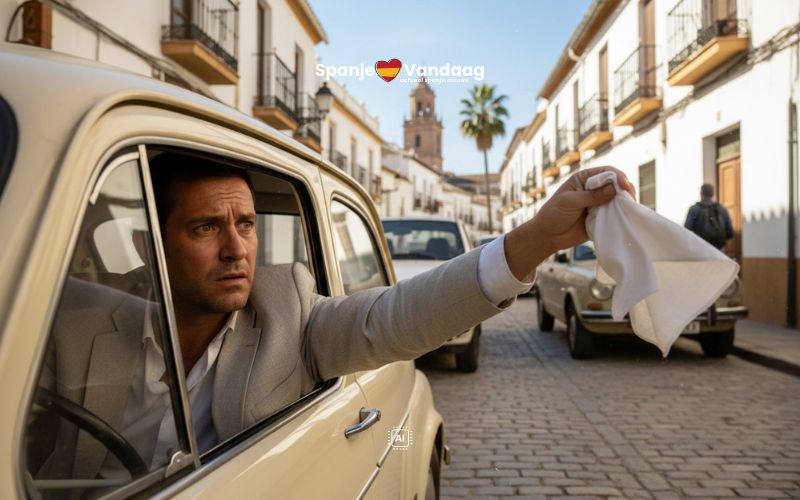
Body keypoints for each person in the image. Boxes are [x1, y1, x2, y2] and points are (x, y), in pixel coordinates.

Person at [31, 153, 635, 481]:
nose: (238, 248)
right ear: (150, 249)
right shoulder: (77, 324)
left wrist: (532, 240)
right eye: (205, 227)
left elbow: (397, 316)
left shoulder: (288, 312)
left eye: (246, 224)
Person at [684, 183, 734, 250]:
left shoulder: (694, 209)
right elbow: (731, 232)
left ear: (701, 193)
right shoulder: (722, 209)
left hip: (700, 248)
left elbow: (687, 229)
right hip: (718, 249)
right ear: (713, 194)